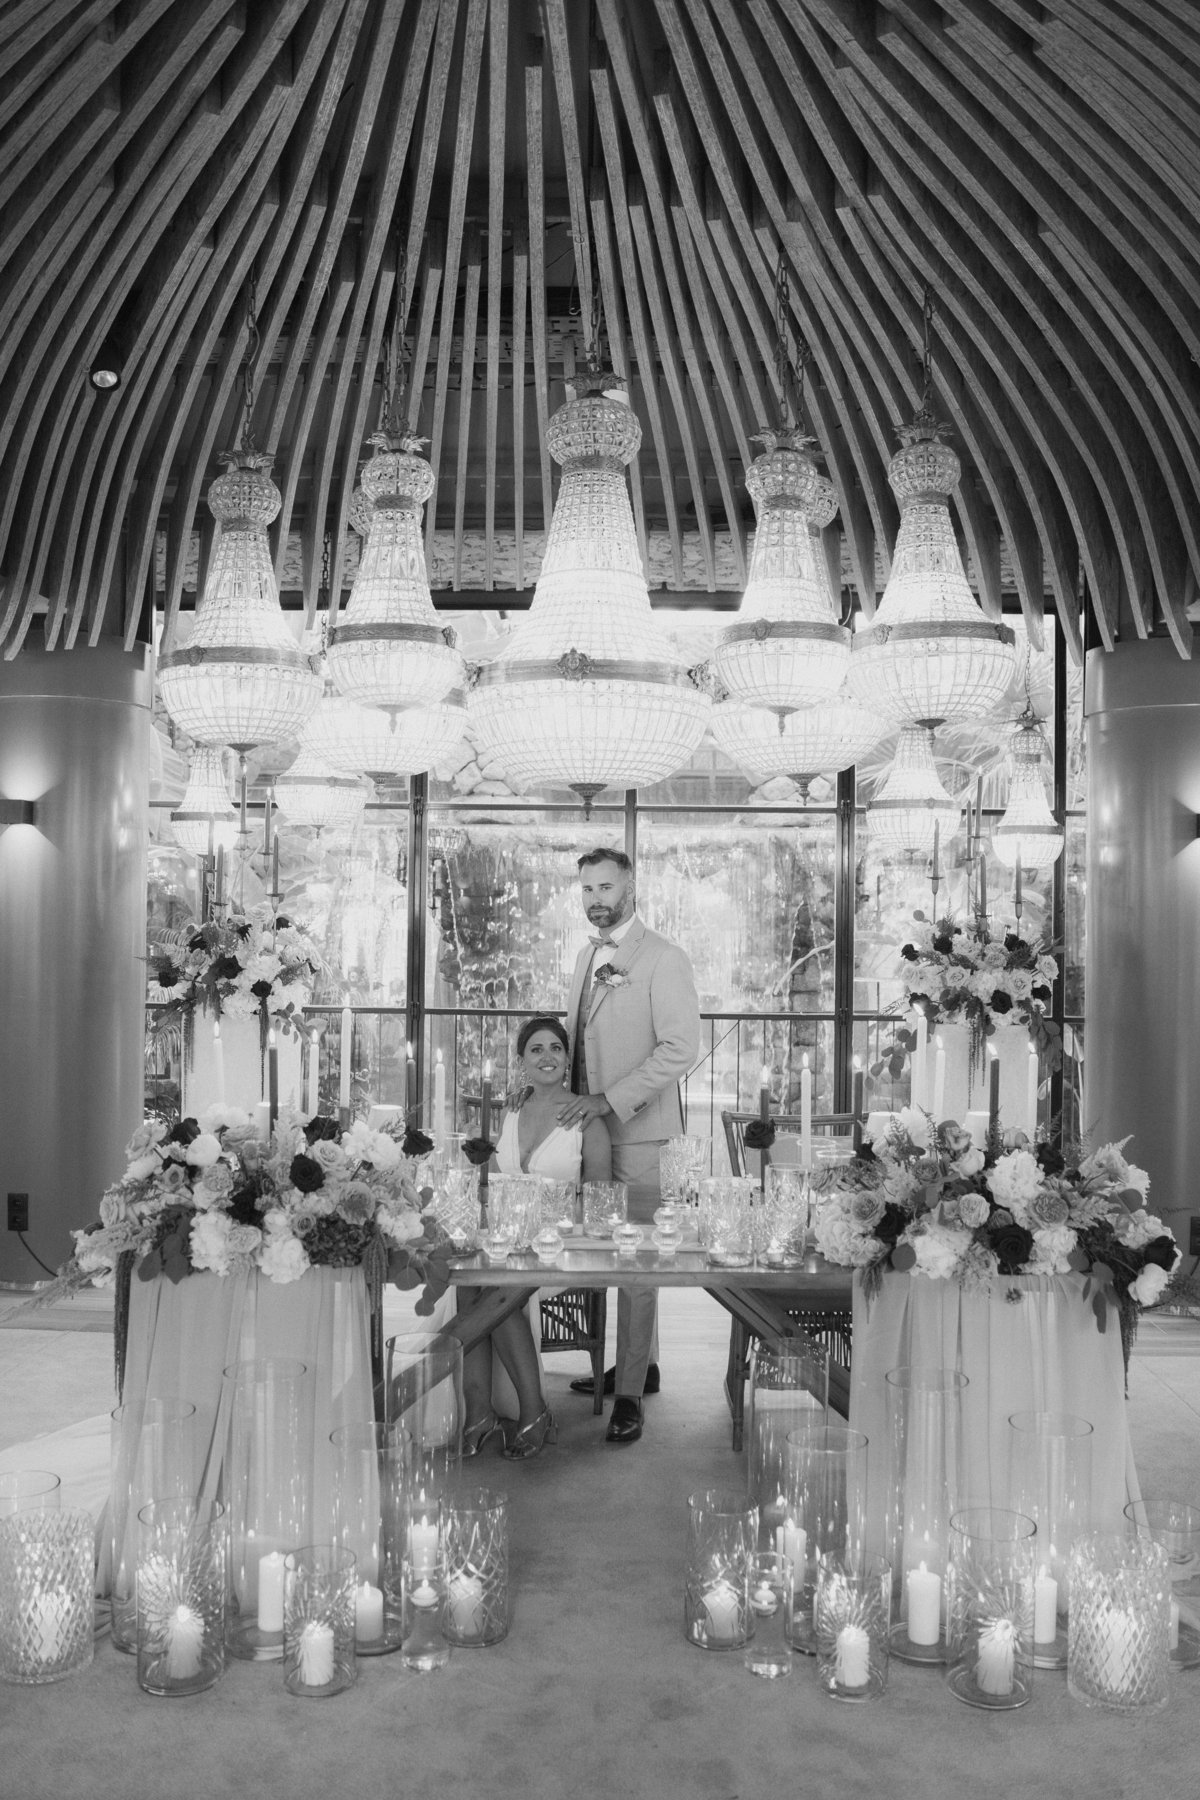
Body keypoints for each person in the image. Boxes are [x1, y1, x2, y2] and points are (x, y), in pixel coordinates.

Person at [558, 848, 701, 1445]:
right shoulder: (585, 956)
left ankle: (630, 1396)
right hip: (590, 1135)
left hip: (640, 1132)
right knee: (604, 1252)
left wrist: (610, 1100)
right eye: (587, 889)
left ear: (631, 888)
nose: (596, 899)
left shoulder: (664, 957)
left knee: (638, 1266)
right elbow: (576, 1042)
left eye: (606, 887)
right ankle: (642, 1366)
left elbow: (680, 1048)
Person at [456, 1016, 611, 1460]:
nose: (547, 1057)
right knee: (467, 1283)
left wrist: (554, 1223)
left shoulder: (586, 1119)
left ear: (567, 1059)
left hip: (560, 1247)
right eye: (536, 1049)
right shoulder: (510, 1111)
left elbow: (600, 1202)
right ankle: (479, 1413)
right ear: (522, 1060)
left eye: (556, 1048)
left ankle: (533, 1410)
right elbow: (488, 1184)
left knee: (497, 1287)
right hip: (506, 1240)